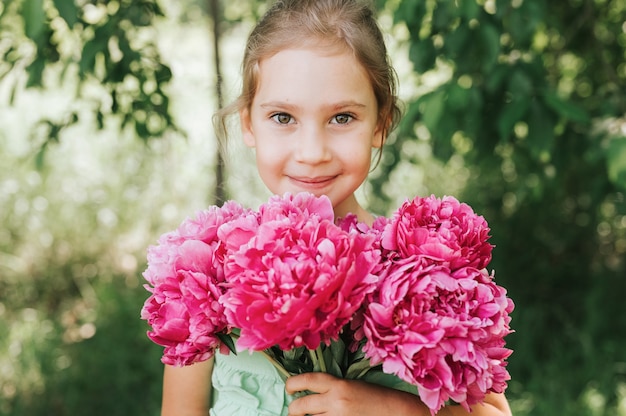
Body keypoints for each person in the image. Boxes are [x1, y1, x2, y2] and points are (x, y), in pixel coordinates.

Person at [161, 0, 513, 415]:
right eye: (282, 117)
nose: (312, 153)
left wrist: (390, 408)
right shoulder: (207, 279)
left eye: (342, 118)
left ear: (381, 124)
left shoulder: (422, 271)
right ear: (248, 123)